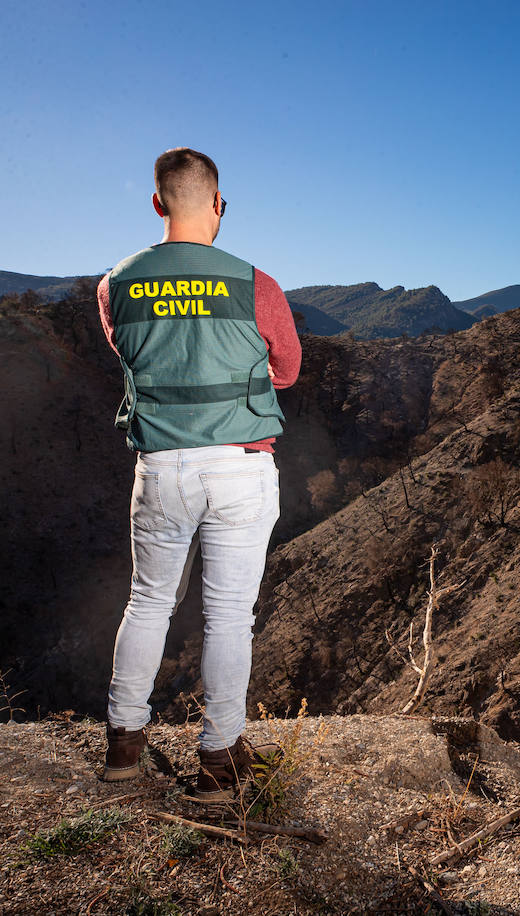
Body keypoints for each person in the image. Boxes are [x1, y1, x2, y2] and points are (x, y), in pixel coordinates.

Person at [96, 148, 301, 802]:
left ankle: (124, 746)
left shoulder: (114, 285)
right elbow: (288, 370)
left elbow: (133, 357)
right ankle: (217, 761)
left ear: (157, 203)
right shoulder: (255, 284)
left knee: (148, 602)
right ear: (218, 204)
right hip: (239, 467)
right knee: (228, 617)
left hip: (160, 468)